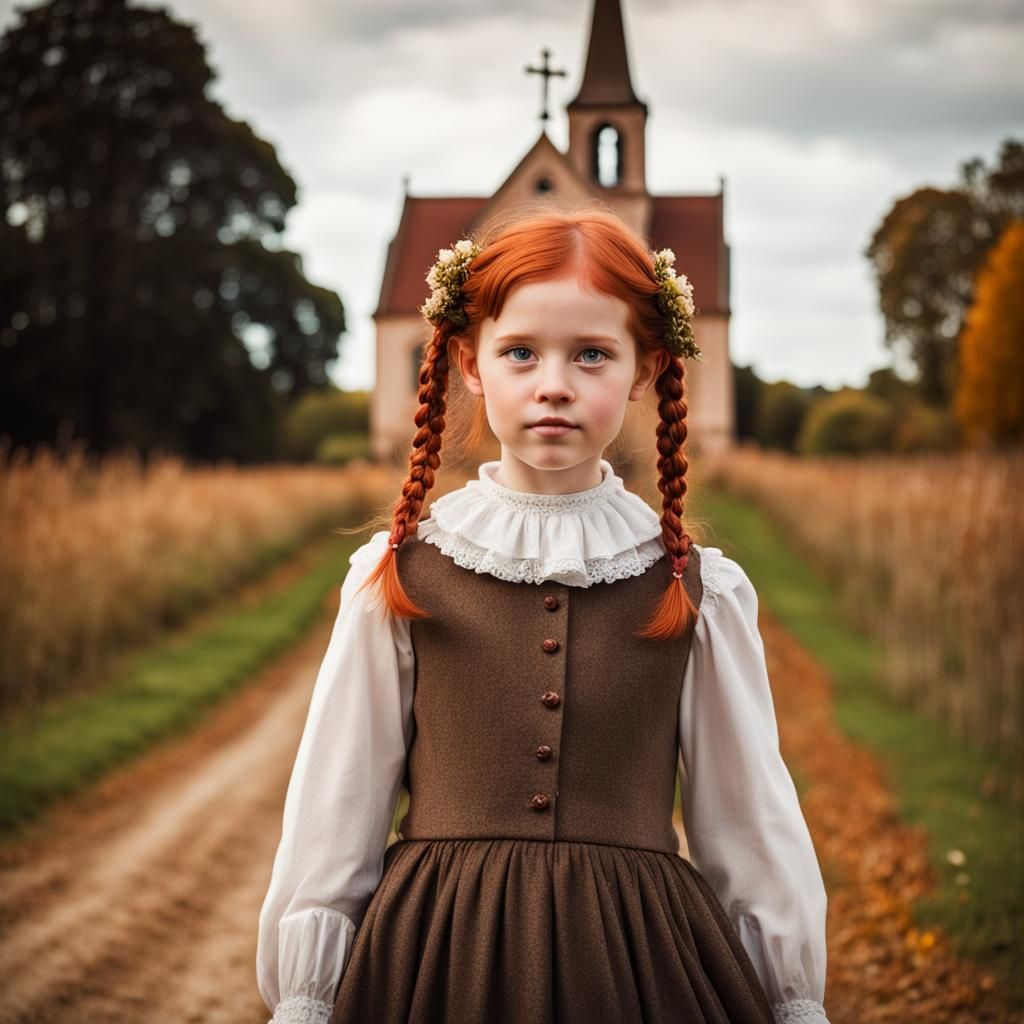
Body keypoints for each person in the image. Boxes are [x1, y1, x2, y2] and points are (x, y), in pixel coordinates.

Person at [255, 205, 831, 1024]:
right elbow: (334, 811)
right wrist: (307, 996)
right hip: (434, 958)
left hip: (639, 963)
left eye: (592, 354)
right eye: (520, 351)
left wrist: (792, 998)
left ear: (644, 370)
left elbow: (749, 829)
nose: (554, 383)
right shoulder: (399, 573)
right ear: (471, 363)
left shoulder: (701, 590)